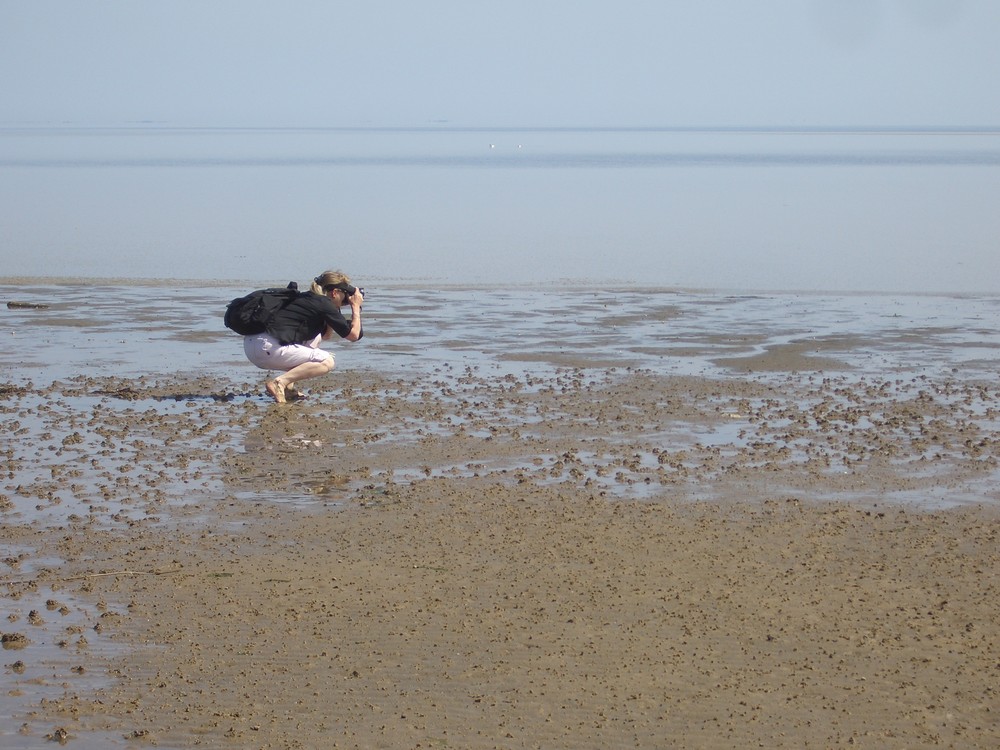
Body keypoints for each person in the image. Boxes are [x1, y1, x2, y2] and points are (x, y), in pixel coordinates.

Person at [243, 270, 364, 403]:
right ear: (335, 292)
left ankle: (288, 389)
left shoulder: (305, 299)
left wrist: (335, 311)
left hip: (252, 347)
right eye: (345, 294)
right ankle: (280, 383)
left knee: (314, 340)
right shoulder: (323, 304)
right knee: (327, 361)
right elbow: (353, 336)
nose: (346, 299)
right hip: (268, 348)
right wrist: (355, 307)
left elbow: (326, 336)